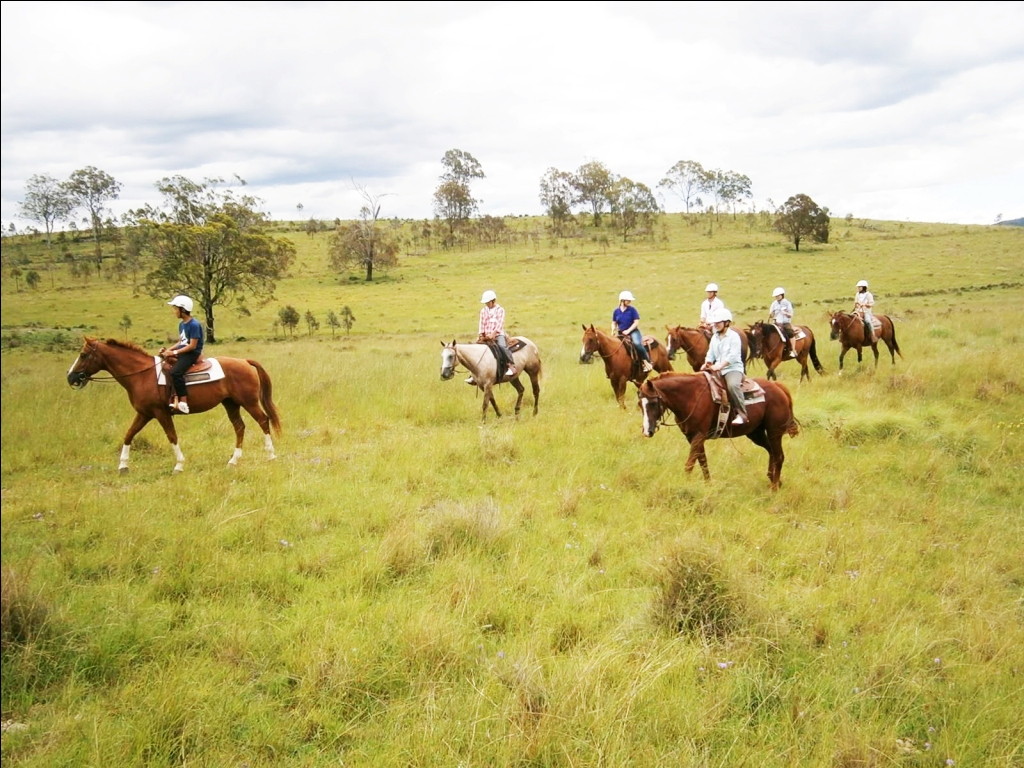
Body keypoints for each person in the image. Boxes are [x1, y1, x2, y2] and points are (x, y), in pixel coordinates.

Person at [701, 308, 748, 425]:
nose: (715, 325)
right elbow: (710, 353)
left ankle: (742, 414)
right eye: (714, 323)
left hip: (732, 369)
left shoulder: (734, 337)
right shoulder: (714, 337)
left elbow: (733, 356)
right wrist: (707, 362)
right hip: (717, 368)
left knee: (732, 385)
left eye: (718, 323)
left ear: (727, 322)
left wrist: (720, 366)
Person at [160, 295, 203, 414]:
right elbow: (182, 341)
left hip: (191, 354)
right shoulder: (182, 324)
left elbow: (192, 346)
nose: (174, 312)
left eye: (175, 309)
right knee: (165, 366)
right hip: (183, 352)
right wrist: (167, 351)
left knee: (176, 372)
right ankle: (172, 397)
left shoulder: (194, 325)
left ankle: (183, 401)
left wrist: (174, 352)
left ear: (183, 310)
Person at [475, 289, 516, 382]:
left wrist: (493, 334)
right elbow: (482, 323)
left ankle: (511, 365)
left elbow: (500, 323)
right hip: (486, 336)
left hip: (497, 334)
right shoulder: (483, 311)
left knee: (502, 346)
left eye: (487, 302)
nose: (486, 304)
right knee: (475, 348)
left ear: (493, 301)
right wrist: (481, 334)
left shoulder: (500, 310)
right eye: (485, 302)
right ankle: (473, 374)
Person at [613, 290, 653, 373]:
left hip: (633, 332)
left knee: (637, 344)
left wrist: (628, 331)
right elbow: (614, 322)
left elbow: (636, 322)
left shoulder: (632, 310)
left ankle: (647, 362)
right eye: (628, 300)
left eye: (629, 300)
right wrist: (613, 329)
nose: (630, 301)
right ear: (622, 300)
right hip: (621, 333)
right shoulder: (616, 311)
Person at [769, 287, 797, 358]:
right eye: (776, 296)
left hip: (785, 323)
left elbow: (791, 315)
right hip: (776, 323)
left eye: (778, 296)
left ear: (782, 295)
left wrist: (785, 313)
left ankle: (793, 350)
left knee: (790, 333)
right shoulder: (774, 304)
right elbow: (771, 315)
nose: (777, 297)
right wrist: (771, 314)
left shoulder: (787, 303)